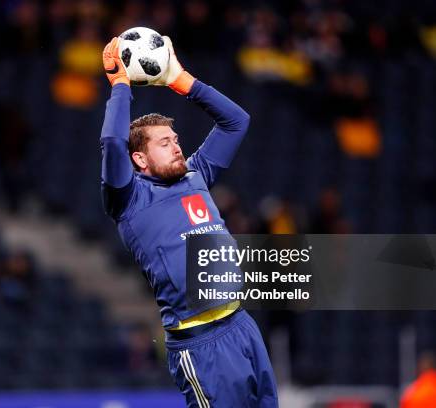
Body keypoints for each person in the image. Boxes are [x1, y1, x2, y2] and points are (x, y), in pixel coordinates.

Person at [100, 36, 278, 407]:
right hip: (199, 343)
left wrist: (181, 80)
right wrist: (120, 86)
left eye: (176, 138)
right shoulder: (130, 200)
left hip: (242, 325)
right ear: (140, 160)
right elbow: (114, 144)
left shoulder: (194, 175)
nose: (177, 145)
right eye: (164, 142)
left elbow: (236, 122)